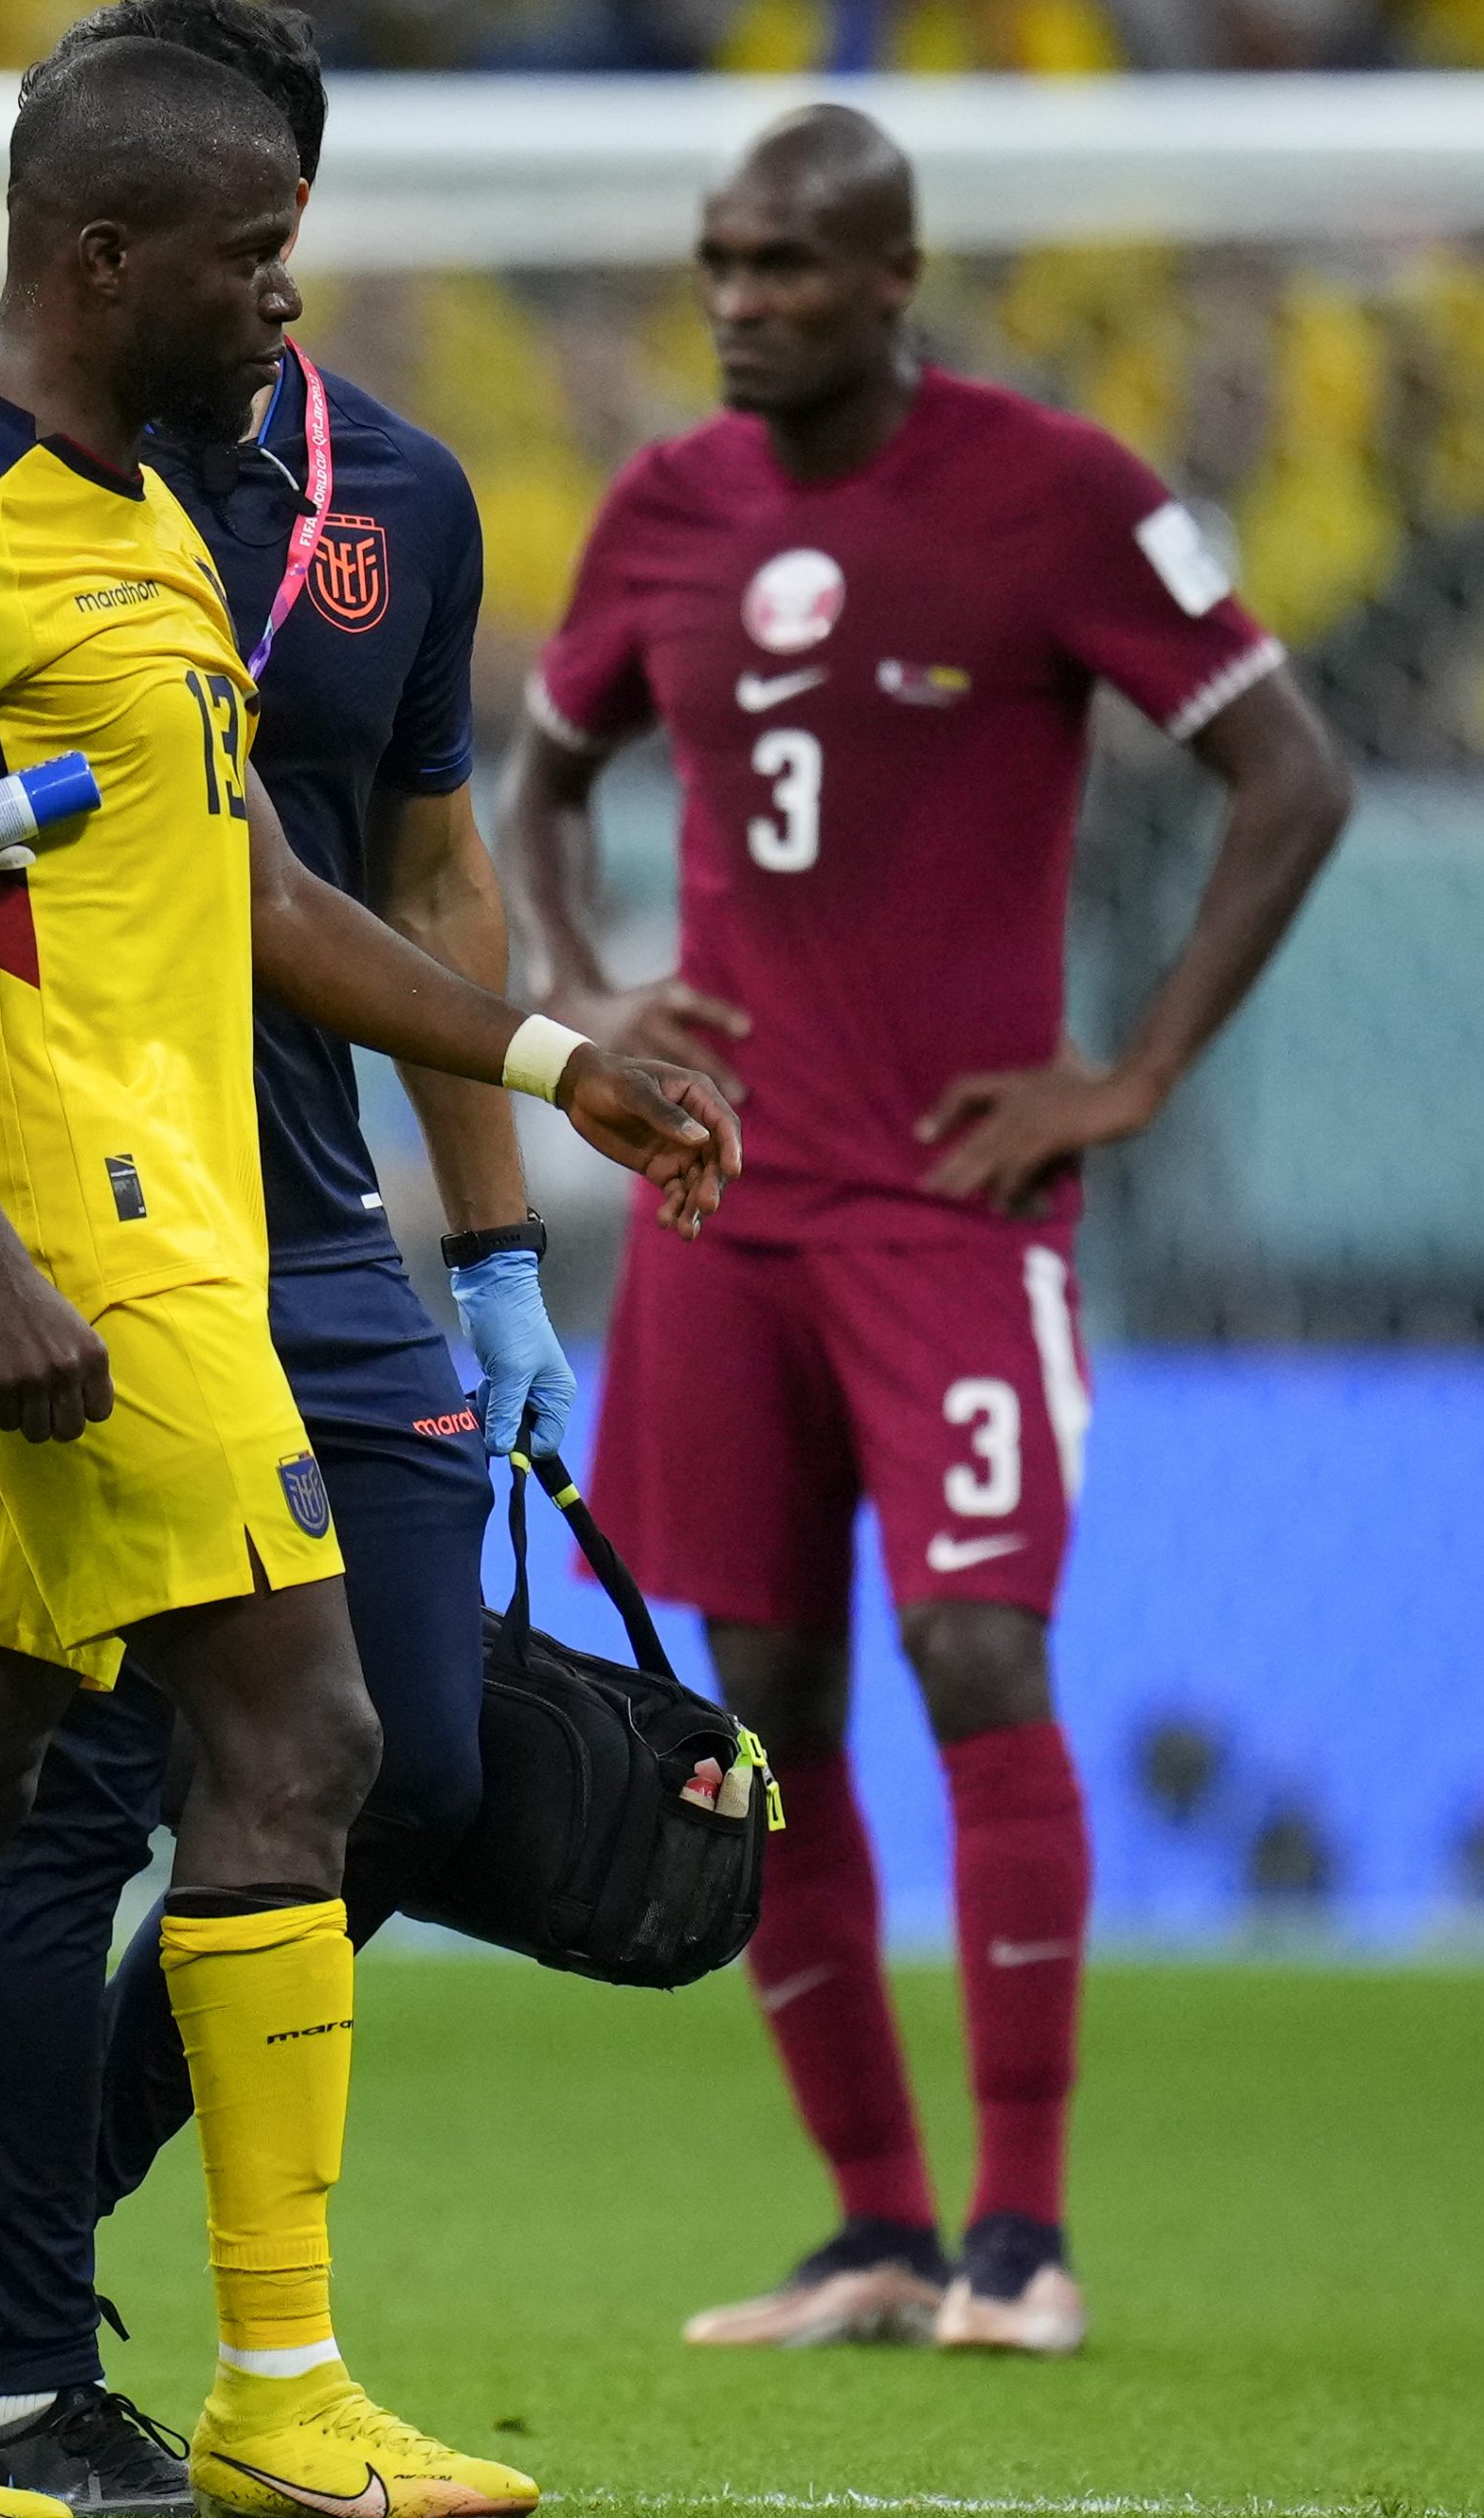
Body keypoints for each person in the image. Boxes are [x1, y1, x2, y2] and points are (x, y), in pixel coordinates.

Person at [0, 38, 735, 2518]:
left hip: (137, 1237)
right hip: (90, 1249)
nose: (284, 299)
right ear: (104, 256)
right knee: (310, 1744)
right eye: (251, 254)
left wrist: (550, 1059)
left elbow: (257, 888)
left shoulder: (149, 528)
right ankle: (282, 2387)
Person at [505, 103, 1350, 2356]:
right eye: (719, 262)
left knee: (977, 1654)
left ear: (893, 277)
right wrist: (581, 986)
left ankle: (1024, 2234)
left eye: (785, 264)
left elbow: (1293, 770)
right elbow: (540, 778)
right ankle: (875, 2226)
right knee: (759, 1704)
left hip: (954, 1201)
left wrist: (1131, 1075)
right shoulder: (666, 507)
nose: (740, 302)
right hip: (723, 1201)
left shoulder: (1053, 493)